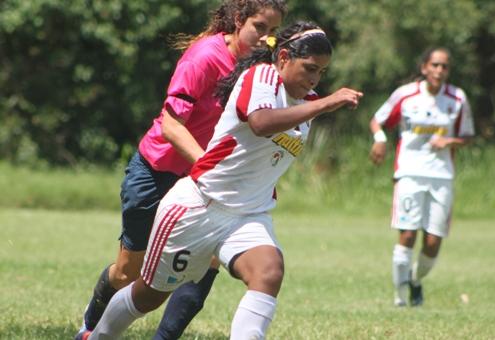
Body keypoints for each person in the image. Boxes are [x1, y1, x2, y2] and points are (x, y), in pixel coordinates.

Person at [85, 21, 363, 340]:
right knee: (148, 296)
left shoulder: (307, 102)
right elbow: (260, 123)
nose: (314, 79)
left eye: (321, 72)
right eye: (309, 68)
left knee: (268, 272)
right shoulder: (260, 78)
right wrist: (326, 103)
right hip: (199, 206)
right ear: (283, 57)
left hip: (246, 215)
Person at [75, 1, 286, 339]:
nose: (266, 39)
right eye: (259, 27)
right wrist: (210, 168)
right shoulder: (205, 56)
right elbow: (172, 127)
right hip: (157, 172)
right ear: (237, 21)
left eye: (273, 32)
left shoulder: (261, 69)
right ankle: (90, 329)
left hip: (204, 185)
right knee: (129, 275)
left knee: (203, 266)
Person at [369, 47, 474, 307]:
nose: (439, 70)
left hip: (442, 177)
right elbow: (377, 120)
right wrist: (380, 139)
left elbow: (468, 136)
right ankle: (400, 298)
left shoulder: (457, 98)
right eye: (435, 65)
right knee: (407, 235)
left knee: (433, 241)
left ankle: (415, 280)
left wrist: (449, 141)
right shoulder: (405, 95)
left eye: (444, 66)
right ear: (425, 67)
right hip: (410, 173)